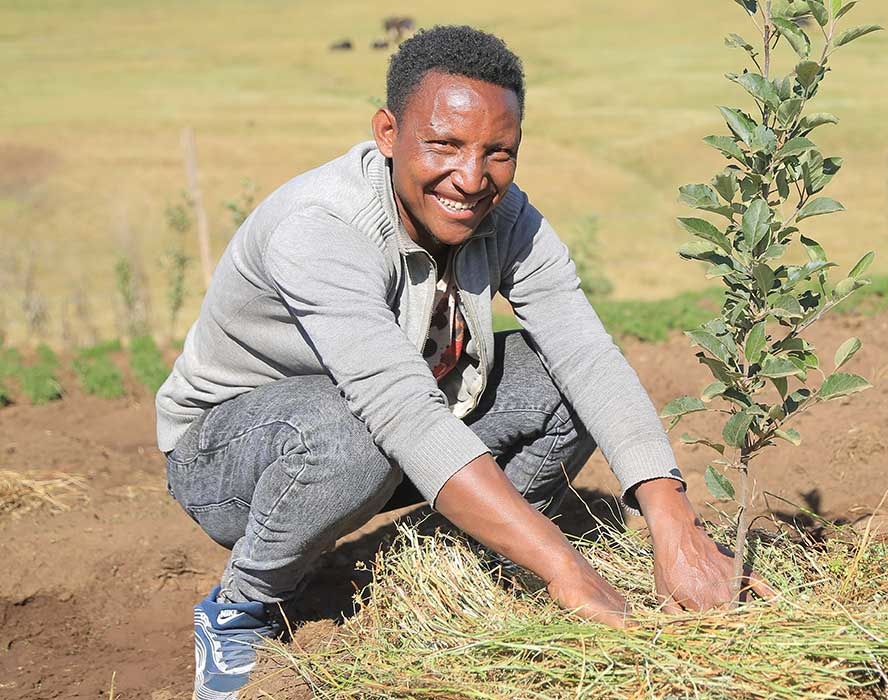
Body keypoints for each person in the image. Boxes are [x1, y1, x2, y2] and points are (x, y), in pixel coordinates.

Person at [156, 25, 769, 699]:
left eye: (497, 153)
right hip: (232, 459)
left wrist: (675, 528)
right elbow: (397, 411)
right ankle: (241, 604)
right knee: (353, 431)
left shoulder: (508, 218)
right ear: (388, 133)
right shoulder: (322, 226)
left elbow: (587, 355)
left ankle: (453, 561)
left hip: (390, 430)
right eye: (444, 144)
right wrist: (567, 570)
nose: (471, 179)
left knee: (560, 381)